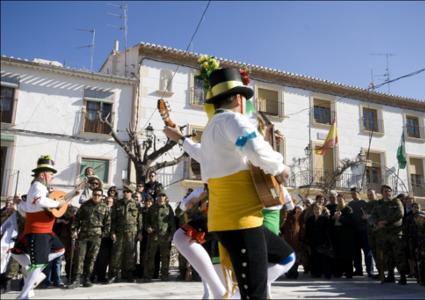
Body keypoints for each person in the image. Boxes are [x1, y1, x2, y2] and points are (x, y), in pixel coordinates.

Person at [164, 67, 295, 299]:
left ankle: (225, 292)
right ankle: (226, 293)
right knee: (255, 295)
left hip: (226, 221)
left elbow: (200, 153)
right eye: (245, 98)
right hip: (241, 221)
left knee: (285, 255)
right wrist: (281, 167)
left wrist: (181, 140)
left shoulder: (211, 129)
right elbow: (255, 148)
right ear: (237, 98)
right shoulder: (234, 120)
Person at [11, 155, 71, 299]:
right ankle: (23, 295)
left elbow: (26, 210)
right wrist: (57, 204)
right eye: (51, 173)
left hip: (43, 231)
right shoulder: (38, 187)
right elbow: (40, 202)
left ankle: (32, 267)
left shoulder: (39, 187)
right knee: (36, 264)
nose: (52, 176)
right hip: (39, 232)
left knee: (60, 249)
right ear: (43, 173)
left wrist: (19, 204)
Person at [69, 187, 111, 288]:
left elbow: (108, 223)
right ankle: (77, 279)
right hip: (83, 235)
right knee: (79, 257)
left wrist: (103, 234)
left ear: (101, 196)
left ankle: (87, 278)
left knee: (92, 258)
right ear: (92, 195)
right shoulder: (85, 205)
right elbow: (76, 220)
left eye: (99, 195)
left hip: (96, 236)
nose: (96, 197)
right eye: (95, 194)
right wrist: (74, 230)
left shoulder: (105, 207)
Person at [371, 185, 408, 285]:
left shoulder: (396, 201)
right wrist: (377, 223)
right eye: (385, 191)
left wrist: (386, 222)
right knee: (388, 256)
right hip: (383, 234)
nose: (387, 192)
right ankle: (390, 276)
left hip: (395, 234)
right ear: (382, 193)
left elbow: (400, 214)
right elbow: (373, 216)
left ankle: (403, 277)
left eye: (389, 191)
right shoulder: (378, 203)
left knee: (399, 255)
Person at [108, 185, 142, 283]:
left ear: (131, 193)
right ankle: (114, 275)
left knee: (130, 253)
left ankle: (129, 274)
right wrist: (113, 231)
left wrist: (140, 232)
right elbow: (113, 219)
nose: (125, 193)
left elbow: (140, 220)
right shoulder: (117, 203)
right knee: (117, 254)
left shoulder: (136, 204)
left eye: (127, 191)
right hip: (119, 232)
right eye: (124, 191)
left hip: (132, 233)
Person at [143, 192, 175, 281]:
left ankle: (164, 275)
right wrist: (148, 228)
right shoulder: (152, 208)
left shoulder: (169, 208)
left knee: (165, 257)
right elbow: (146, 221)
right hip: (153, 236)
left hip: (165, 236)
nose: (161, 197)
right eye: (160, 196)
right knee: (150, 256)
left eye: (163, 196)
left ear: (165, 197)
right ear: (157, 197)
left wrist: (171, 235)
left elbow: (172, 223)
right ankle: (149, 275)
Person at [348, 187, 373, 277]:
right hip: (354, 231)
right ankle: (358, 270)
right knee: (356, 252)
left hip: (364, 230)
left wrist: (367, 217)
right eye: (352, 193)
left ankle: (370, 270)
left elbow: (371, 215)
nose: (353, 195)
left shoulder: (364, 203)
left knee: (367, 251)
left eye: (354, 193)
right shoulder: (350, 204)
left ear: (359, 193)